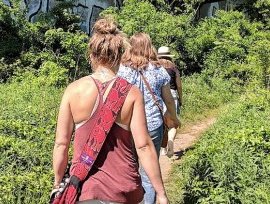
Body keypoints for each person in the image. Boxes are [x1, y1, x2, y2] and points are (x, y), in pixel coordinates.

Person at [52, 18, 170, 204]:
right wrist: (160, 193)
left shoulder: (73, 90)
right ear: (120, 57)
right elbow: (143, 146)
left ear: (91, 56)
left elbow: (61, 144)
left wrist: (58, 183)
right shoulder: (131, 93)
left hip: (85, 191)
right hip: (124, 190)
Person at [118, 33, 181, 204]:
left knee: (130, 170)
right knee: (150, 172)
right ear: (149, 46)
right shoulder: (158, 69)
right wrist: (174, 118)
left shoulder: (122, 70)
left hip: (128, 127)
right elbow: (168, 100)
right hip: (152, 126)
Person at [157, 46, 183, 158]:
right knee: (173, 124)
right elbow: (179, 85)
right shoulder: (173, 68)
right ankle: (170, 142)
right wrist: (181, 98)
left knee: (162, 124)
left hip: (159, 96)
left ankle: (162, 149)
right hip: (172, 95)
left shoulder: (156, 68)